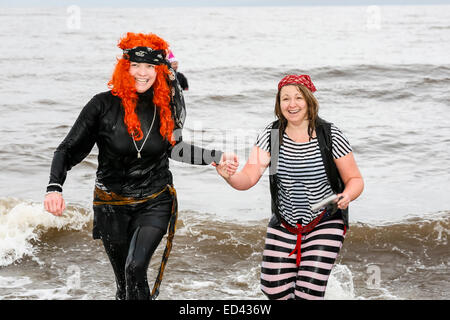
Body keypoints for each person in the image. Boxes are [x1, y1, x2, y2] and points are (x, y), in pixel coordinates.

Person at [44, 32, 237, 300]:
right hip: (111, 203)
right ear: (125, 67)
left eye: (149, 66)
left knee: (135, 268)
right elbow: (68, 149)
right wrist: (54, 187)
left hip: (155, 199)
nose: (142, 73)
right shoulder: (102, 105)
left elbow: (176, 148)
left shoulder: (166, 105)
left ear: (159, 70)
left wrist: (215, 155)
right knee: (125, 282)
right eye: (135, 65)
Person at [216, 74, 364, 300]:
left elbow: (355, 180)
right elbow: (247, 178)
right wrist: (229, 176)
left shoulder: (330, 134)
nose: (292, 104)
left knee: (307, 293)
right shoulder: (272, 135)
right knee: (274, 292)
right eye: (285, 99)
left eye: (298, 98)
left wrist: (347, 195)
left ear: (309, 101)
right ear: (279, 103)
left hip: (326, 219)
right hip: (285, 223)